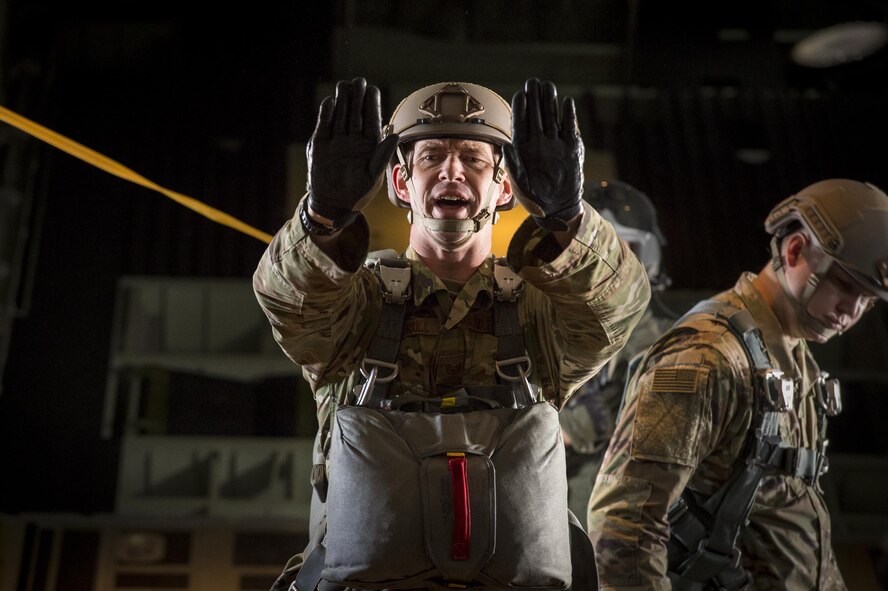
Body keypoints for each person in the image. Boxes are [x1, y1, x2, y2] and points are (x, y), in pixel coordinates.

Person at [253, 77, 650, 590]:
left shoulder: (537, 311)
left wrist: (567, 220)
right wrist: (323, 218)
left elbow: (617, 307)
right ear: (401, 184)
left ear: (505, 188)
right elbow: (287, 300)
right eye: (430, 155)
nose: (451, 169)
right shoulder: (358, 307)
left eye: (475, 159)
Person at [588, 178, 888, 590]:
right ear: (796, 249)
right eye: (846, 285)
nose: (852, 311)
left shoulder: (796, 360)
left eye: (868, 300)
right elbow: (625, 525)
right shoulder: (708, 356)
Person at [558, 179, 678, 531]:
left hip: (621, 519)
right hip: (547, 512)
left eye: (622, 249)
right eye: (594, 252)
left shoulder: (669, 340)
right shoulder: (544, 322)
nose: (609, 267)